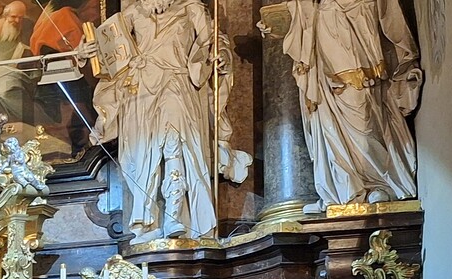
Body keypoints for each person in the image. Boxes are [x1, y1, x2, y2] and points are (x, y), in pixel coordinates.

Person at [91, 0, 250, 242]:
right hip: (140, 92)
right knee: (141, 155)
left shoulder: (191, 8)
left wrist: (221, 55)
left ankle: (175, 216)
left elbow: (213, 40)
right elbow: (109, 49)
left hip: (176, 83)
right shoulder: (133, 12)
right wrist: (89, 51)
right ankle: (146, 222)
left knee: (177, 145)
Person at [277, 0, 421, 211]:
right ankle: (342, 188)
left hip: (358, 25)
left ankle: (379, 183)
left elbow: (388, 13)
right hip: (322, 25)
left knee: (363, 112)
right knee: (325, 114)